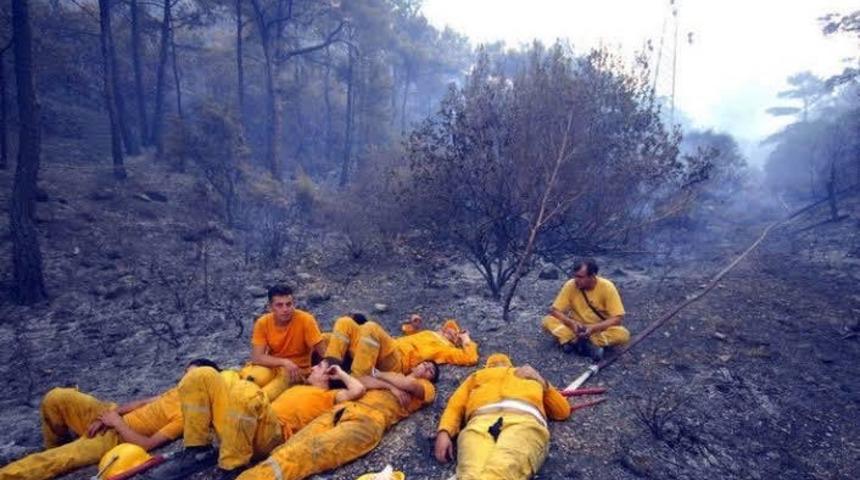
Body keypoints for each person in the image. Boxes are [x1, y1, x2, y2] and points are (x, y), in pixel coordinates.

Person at [0, 359, 219, 480]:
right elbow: (144, 403)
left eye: (191, 376)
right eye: (185, 374)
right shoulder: (179, 390)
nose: (184, 379)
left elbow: (146, 445)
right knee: (57, 398)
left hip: (117, 437)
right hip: (112, 416)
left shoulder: (188, 415)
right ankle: (60, 444)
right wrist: (110, 415)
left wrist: (115, 423)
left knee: (52, 460)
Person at [159, 360, 365, 479]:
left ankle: (232, 468)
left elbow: (358, 389)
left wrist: (340, 372)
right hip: (243, 425)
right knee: (201, 374)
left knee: (245, 390)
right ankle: (197, 449)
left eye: (319, 367)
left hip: (272, 435)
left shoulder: (329, 396)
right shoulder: (299, 386)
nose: (312, 368)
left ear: (330, 375)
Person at [234, 361, 439, 480]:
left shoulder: (426, 387)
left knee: (308, 452)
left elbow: (410, 386)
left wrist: (382, 377)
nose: (425, 368)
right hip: (338, 411)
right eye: (425, 364)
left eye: (430, 370)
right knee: (285, 449)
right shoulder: (393, 376)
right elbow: (363, 381)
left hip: (367, 421)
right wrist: (389, 385)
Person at [434, 353, 571, 480]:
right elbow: (455, 405)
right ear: (486, 366)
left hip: (524, 421)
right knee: (471, 472)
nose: (498, 362)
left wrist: (542, 381)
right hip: (479, 423)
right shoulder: (477, 376)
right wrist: (444, 431)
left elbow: (562, 411)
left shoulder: (529, 374)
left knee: (503, 469)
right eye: (493, 363)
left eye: (501, 361)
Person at [240, 285, 326, 400]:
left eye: (289, 304)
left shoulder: (306, 320)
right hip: (273, 367)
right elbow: (257, 357)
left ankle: (256, 404)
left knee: (263, 396)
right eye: (279, 305)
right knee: (251, 379)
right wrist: (284, 362)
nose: (285, 309)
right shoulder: (263, 323)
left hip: (296, 372)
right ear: (271, 307)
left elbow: (324, 353)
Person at [325, 314, 478, 376]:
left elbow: (470, 358)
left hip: (397, 360)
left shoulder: (446, 349)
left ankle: (358, 378)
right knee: (345, 322)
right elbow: (408, 334)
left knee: (370, 327)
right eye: (450, 328)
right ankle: (329, 366)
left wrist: (465, 339)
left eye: (455, 332)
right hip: (387, 347)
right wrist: (414, 325)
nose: (451, 331)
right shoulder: (429, 334)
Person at [541, 258, 630, 360]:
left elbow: (617, 318)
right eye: (575, 276)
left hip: (597, 329)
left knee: (623, 334)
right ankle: (580, 344)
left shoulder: (607, 287)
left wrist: (593, 328)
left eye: (580, 277)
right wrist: (571, 323)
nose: (576, 280)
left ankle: (576, 342)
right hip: (575, 327)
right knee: (547, 321)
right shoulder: (571, 285)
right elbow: (554, 310)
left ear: (592, 276)